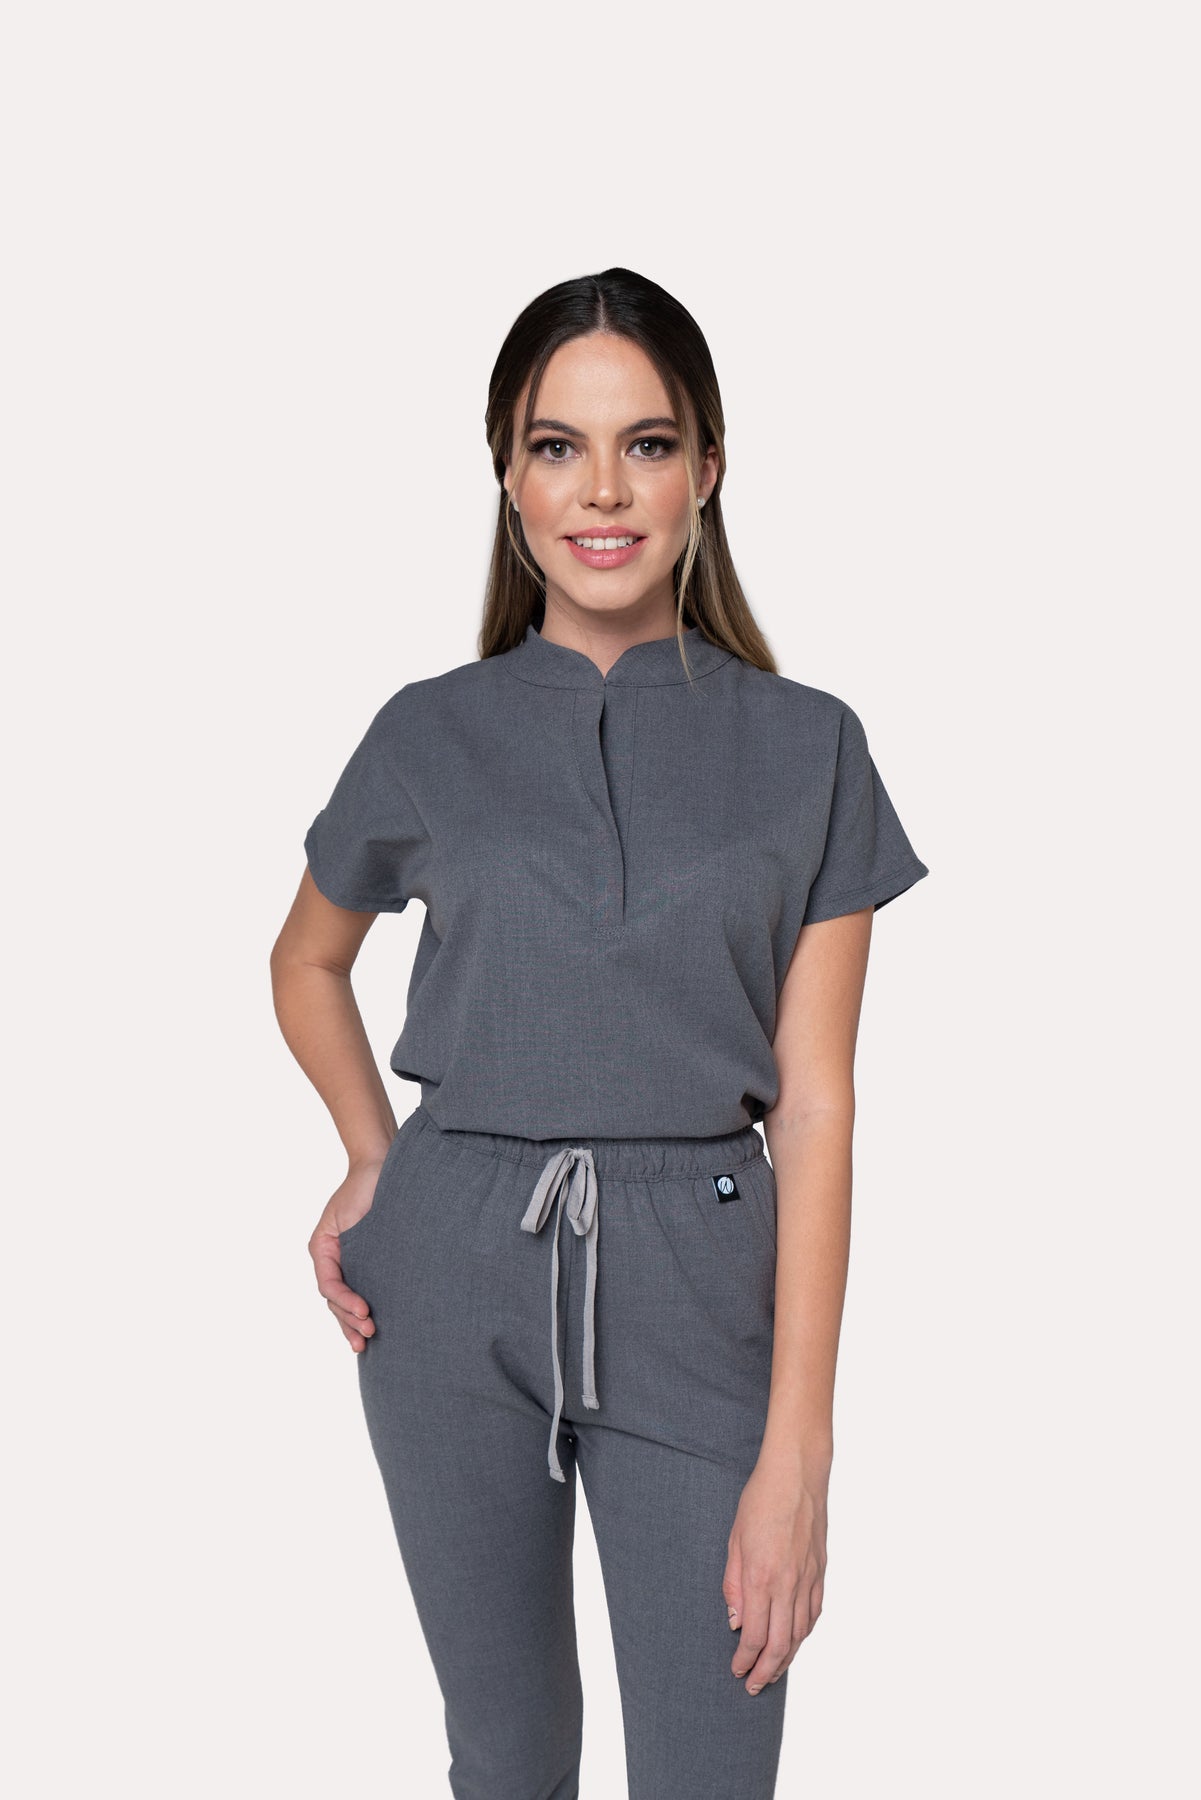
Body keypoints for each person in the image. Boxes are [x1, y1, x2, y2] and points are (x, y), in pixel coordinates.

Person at [270, 266, 929, 1800]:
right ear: (507, 477)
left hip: (700, 1272)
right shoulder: (426, 731)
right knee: (504, 1764)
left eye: (647, 443)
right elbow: (306, 962)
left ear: (709, 467)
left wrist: (800, 1452)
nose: (603, 491)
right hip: (448, 1265)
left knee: (710, 1761)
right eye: (556, 447)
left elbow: (816, 1105)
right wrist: (372, 1156)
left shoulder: (811, 747)